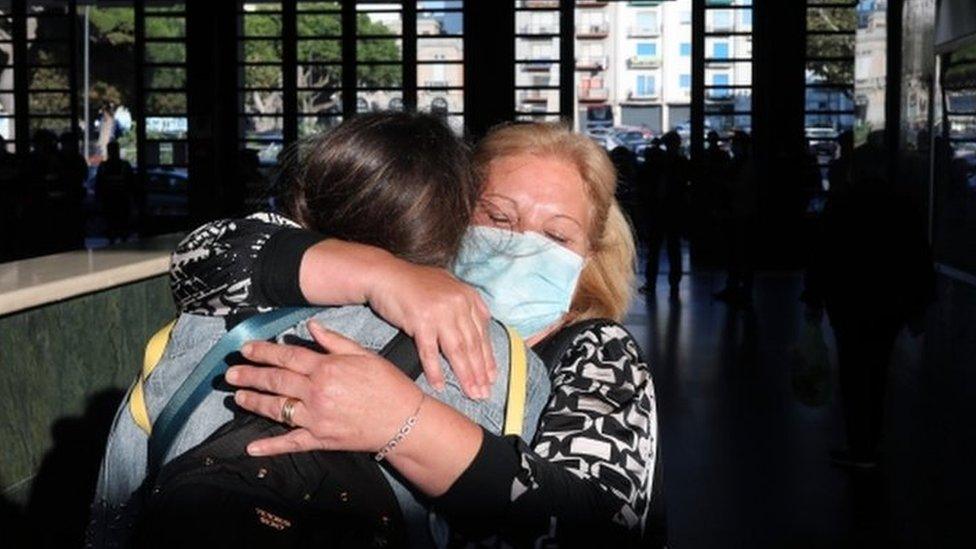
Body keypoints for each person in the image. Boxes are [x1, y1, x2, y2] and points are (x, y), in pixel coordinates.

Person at [164, 122, 662, 546]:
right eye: (498, 218)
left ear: (589, 257)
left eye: (555, 235)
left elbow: (601, 524)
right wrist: (379, 274)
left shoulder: (598, 351)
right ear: (455, 215)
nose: (520, 248)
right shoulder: (390, 300)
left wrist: (402, 423)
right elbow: (199, 261)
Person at [89, 112, 553, 548]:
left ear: (303, 200)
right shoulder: (502, 362)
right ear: (458, 228)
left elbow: (120, 495)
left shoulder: (205, 317)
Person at [803, 175, 933, 470]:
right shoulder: (902, 209)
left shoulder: (841, 209)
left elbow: (822, 255)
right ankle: (869, 443)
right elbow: (918, 257)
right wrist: (917, 306)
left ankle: (860, 445)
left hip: (849, 304)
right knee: (877, 373)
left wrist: (814, 299)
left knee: (854, 376)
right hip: (889, 306)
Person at [714, 131, 758, 307]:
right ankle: (734, 286)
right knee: (734, 253)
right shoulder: (737, 163)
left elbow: (744, 188)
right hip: (735, 213)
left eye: (736, 143)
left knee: (742, 253)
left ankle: (743, 289)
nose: (734, 147)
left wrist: (727, 186)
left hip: (743, 214)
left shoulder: (747, 165)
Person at [642, 130, 687, 300]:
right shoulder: (679, 163)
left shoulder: (660, 163)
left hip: (662, 210)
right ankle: (672, 283)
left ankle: (652, 283)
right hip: (670, 210)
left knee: (656, 249)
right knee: (671, 249)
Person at [95, 141, 135, 243]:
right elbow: (132, 184)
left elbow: (98, 185)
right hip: (120, 201)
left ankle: (113, 241)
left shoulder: (103, 166)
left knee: (112, 227)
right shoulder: (125, 165)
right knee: (121, 227)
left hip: (111, 201)